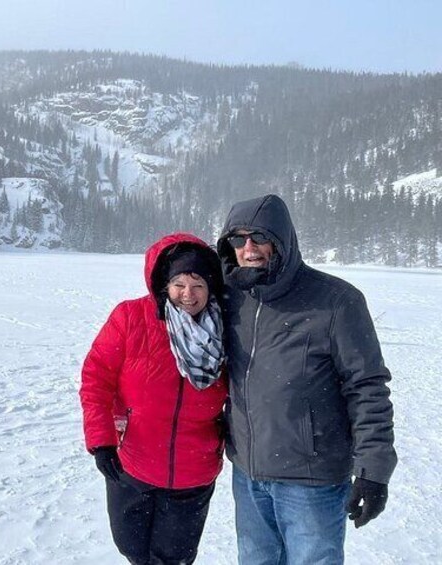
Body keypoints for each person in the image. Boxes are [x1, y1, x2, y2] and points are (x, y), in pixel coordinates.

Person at [215, 194, 397, 565]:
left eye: (259, 237)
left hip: (311, 479)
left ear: (282, 240)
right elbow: (176, 282)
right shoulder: (230, 295)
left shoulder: (336, 301)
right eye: (237, 239)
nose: (248, 249)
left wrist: (374, 471)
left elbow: (367, 387)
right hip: (248, 474)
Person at [80, 232, 228, 565]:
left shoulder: (225, 329)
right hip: (133, 464)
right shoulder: (131, 317)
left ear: (211, 287)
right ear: (164, 283)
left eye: (198, 285)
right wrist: (101, 441)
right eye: (179, 284)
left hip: (194, 470)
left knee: (173, 558)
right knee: (131, 547)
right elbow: (96, 378)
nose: (188, 295)